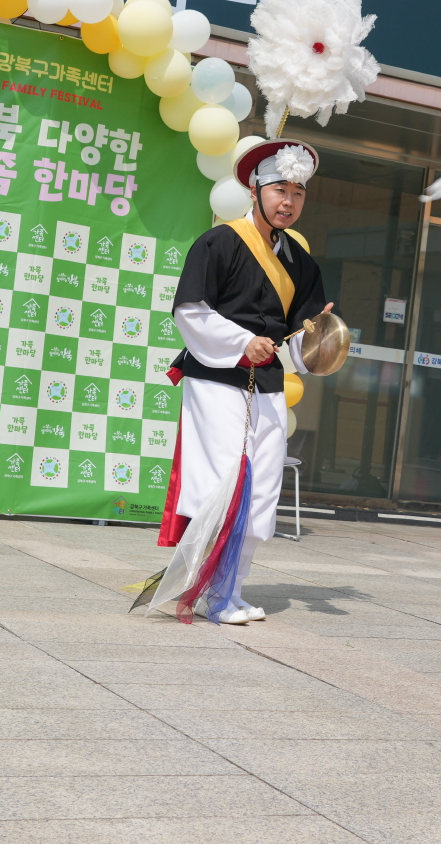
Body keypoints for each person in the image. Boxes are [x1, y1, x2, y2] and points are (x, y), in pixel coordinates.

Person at [158, 138, 329, 624]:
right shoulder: (219, 242)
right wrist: (239, 342)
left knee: (263, 487)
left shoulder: (303, 262)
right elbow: (191, 310)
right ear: (255, 190)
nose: (288, 202)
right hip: (217, 376)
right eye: (279, 190)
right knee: (226, 479)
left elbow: (298, 338)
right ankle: (206, 588)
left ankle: (230, 589)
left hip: (269, 383)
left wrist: (318, 338)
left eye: (298, 193)